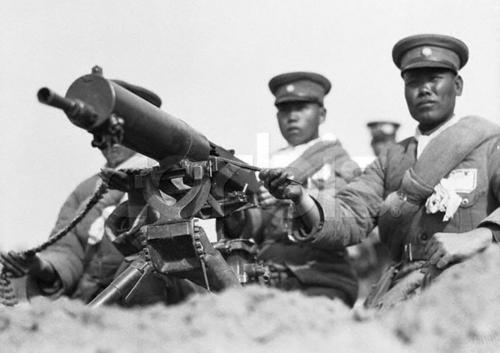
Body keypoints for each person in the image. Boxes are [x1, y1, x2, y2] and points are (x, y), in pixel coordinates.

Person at [259, 34, 500, 309]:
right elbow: (350, 216)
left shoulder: (489, 145)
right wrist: (301, 197)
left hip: (473, 286)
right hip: (404, 290)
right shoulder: (391, 159)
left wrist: (480, 236)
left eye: (434, 78)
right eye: (414, 82)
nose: (424, 89)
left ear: (457, 85)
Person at [0, 81, 173, 305]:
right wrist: (40, 266)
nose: (110, 140)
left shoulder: (168, 177)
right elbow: (67, 250)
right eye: (101, 130)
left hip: (150, 298)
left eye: (121, 129)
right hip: (94, 302)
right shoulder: (87, 190)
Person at [223, 72, 361, 307]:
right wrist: (236, 210)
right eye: (285, 110)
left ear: (322, 114)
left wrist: (293, 198)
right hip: (267, 276)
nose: (292, 117)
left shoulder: (340, 162)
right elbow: (254, 229)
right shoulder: (268, 163)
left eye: (301, 108)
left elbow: (345, 221)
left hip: (320, 277)